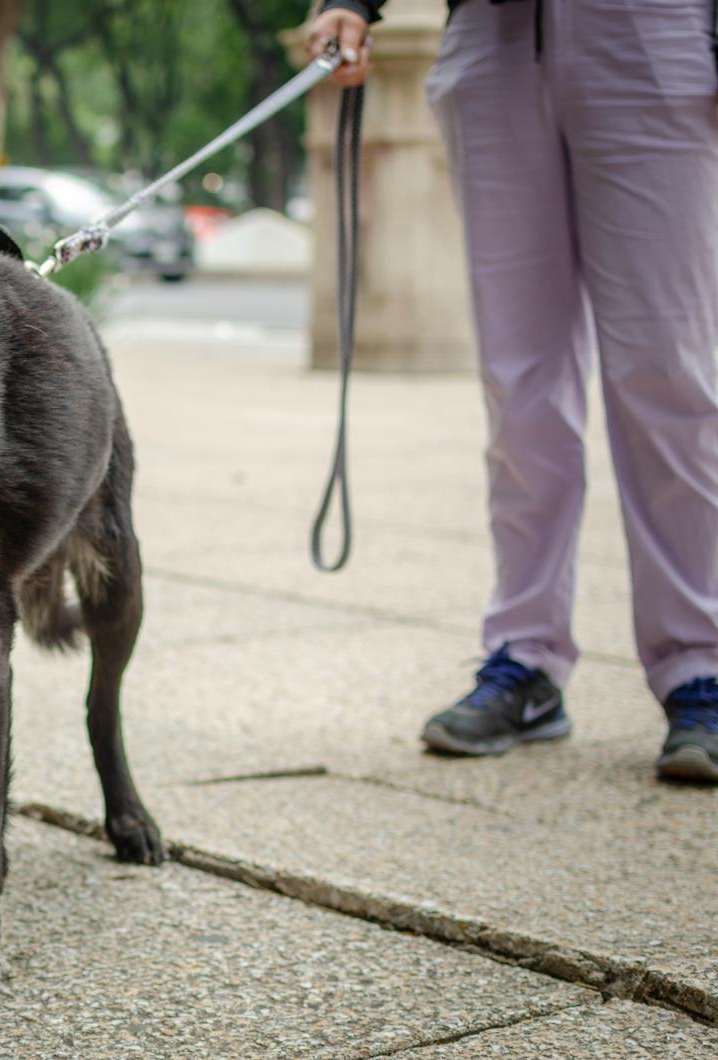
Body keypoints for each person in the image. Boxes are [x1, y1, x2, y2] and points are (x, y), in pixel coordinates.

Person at [309, 0, 718, 783]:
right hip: (493, 39)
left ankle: (699, 665)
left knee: (666, 371)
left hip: (654, 27)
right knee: (519, 383)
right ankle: (527, 656)